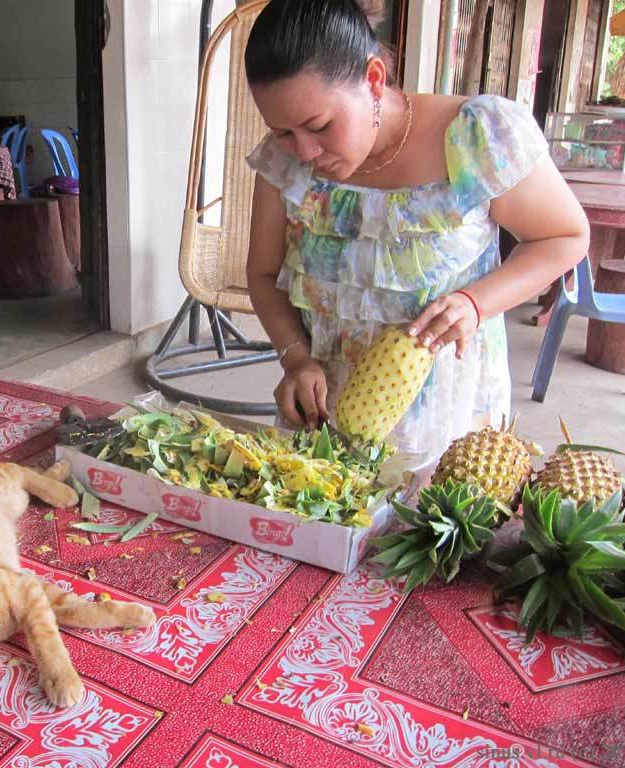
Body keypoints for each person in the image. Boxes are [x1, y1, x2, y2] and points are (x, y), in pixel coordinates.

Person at [243, 0, 588, 462]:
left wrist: (474, 303)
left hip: (443, 415)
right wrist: (295, 359)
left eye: (319, 125)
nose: (303, 151)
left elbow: (565, 236)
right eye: (282, 131)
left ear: (373, 79)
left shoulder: (476, 137)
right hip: (325, 415)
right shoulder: (281, 163)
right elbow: (264, 275)